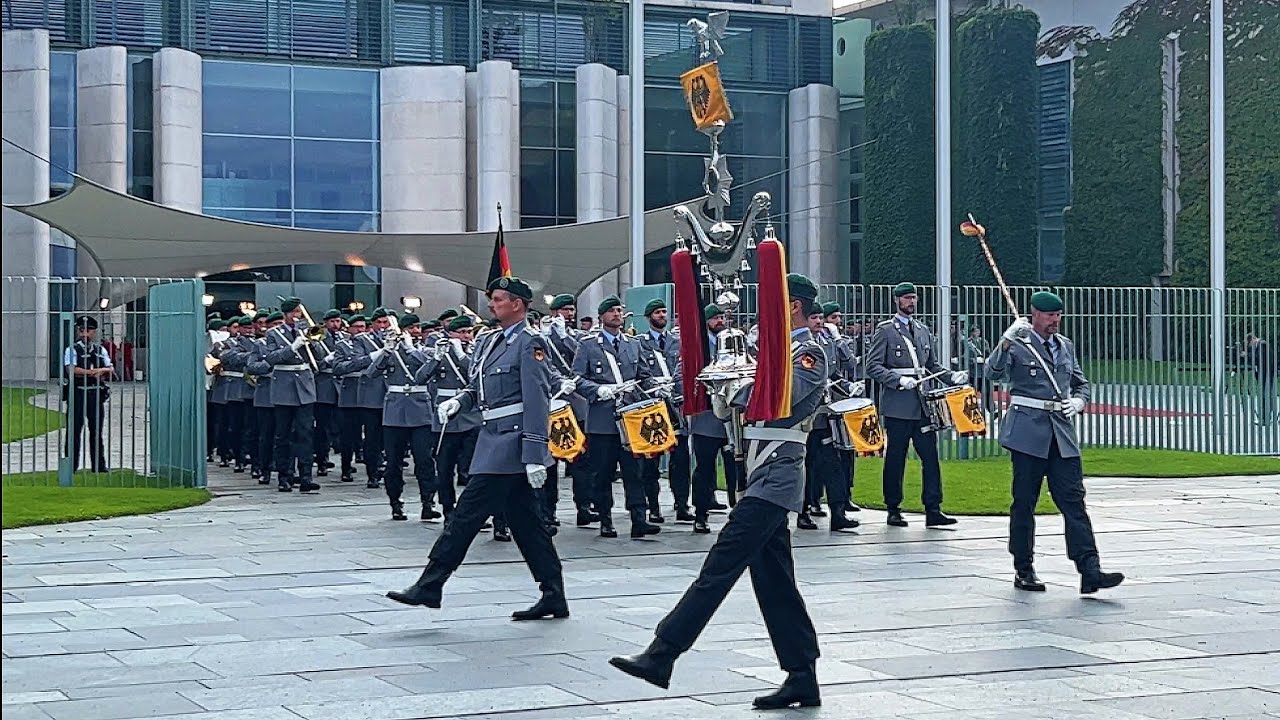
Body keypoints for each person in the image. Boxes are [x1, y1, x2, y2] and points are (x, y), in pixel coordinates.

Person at [609, 273, 829, 710]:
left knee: (720, 565)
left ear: (793, 307)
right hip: (759, 474)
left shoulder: (807, 352)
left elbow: (780, 398)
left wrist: (734, 386)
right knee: (775, 582)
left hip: (779, 474)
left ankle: (662, 653)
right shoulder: (772, 352)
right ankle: (802, 674)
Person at [386, 276, 567, 621]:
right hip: (491, 437)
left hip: (511, 445)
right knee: (529, 526)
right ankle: (553, 594)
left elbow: (537, 399)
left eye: (499, 299)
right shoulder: (490, 341)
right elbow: (477, 386)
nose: (493, 305)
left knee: (467, 515)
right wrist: (460, 401)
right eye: (493, 299)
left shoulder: (531, 343)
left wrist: (534, 453)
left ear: (517, 304)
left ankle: (431, 583)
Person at [986, 292, 1125, 594]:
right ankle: (1024, 568)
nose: (1055, 321)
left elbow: (1081, 382)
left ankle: (1090, 569)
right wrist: (1006, 340)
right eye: (1049, 316)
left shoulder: (1066, 346)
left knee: (1074, 502)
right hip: (1027, 434)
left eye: (1058, 315)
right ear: (1034, 315)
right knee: (1024, 502)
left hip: (1061, 434)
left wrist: (1079, 401)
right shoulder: (1020, 347)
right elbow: (992, 373)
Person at [865, 282, 965, 528]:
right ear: (897, 300)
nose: (912, 302)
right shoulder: (885, 330)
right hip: (898, 405)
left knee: (930, 457)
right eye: (907, 298)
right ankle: (893, 508)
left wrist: (951, 377)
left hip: (922, 404)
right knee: (896, 458)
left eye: (914, 298)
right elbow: (873, 366)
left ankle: (933, 508)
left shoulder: (922, 330)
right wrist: (897, 379)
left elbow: (931, 365)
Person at [572, 295, 661, 539]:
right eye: (611, 311)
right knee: (602, 472)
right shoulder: (589, 344)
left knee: (635, 471)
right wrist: (596, 390)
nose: (617, 315)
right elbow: (577, 378)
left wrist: (658, 388)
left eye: (619, 311)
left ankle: (639, 519)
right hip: (603, 419)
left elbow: (644, 374)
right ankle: (605, 519)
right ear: (602, 316)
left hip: (631, 418)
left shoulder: (633, 343)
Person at [370, 313, 439, 521]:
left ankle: (428, 502)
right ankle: (395, 503)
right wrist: (386, 351)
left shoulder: (425, 350)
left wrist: (411, 349)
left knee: (425, 460)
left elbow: (431, 366)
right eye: (412, 328)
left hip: (420, 409)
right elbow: (372, 373)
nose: (416, 331)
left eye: (418, 327)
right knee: (394, 462)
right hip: (395, 411)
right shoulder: (390, 350)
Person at [636, 298, 694, 524]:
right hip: (653, 406)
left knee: (680, 459)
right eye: (657, 312)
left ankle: (681, 504)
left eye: (663, 312)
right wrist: (654, 387)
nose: (662, 315)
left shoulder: (677, 341)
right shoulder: (639, 342)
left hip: (675, 406)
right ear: (649, 317)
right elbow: (638, 371)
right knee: (650, 460)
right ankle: (653, 506)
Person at [418, 315, 481, 520]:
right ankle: (448, 509)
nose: (466, 336)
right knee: (445, 467)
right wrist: (436, 357)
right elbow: (420, 378)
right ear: (451, 333)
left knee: (473, 468)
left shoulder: (475, 351)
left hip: (470, 416)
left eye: (468, 332)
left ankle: (471, 511)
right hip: (446, 418)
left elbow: (478, 375)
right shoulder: (440, 352)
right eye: (461, 332)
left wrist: (461, 354)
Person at [688, 305, 736, 532]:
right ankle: (700, 512)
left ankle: (738, 509)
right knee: (705, 469)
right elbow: (687, 374)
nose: (720, 321)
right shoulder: (699, 346)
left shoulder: (733, 343)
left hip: (731, 416)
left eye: (722, 317)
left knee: (735, 467)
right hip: (707, 416)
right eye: (715, 318)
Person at [264, 298, 321, 493]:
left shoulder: (305, 330)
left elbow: (319, 355)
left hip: (305, 385)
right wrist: (293, 346)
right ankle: (284, 476)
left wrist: (312, 341)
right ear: (287, 314)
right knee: (284, 435)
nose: (298, 316)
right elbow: (271, 358)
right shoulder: (273, 334)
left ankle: (305, 476)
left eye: (300, 312)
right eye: (295, 312)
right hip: (284, 386)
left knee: (305, 433)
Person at [63, 315, 112, 472]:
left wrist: (101, 370)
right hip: (77, 394)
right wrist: (93, 372)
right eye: (82, 330)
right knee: (74, 430)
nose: (85, 334)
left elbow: (110, 369)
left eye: (88, 331)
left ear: (94, 332)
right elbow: (72, 370)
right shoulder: (72, 349)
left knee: (96, 431)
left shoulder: (100, 350)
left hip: (95, 394)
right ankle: (71, 465)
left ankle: (99, 466)